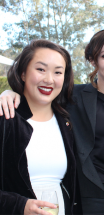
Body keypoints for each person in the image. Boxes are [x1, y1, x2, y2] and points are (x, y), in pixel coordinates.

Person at [0, 28, 104, 215]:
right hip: (93, 199)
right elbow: (41, 91)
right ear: (93, 60)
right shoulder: (74, 96)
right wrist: (10, 93)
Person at [0, 39, 82, 215]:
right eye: (40, 69)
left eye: (58, 72)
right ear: (23, 73)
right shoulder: (6, 118)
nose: (49, 79)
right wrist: (19, 206)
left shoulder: (66, 122)